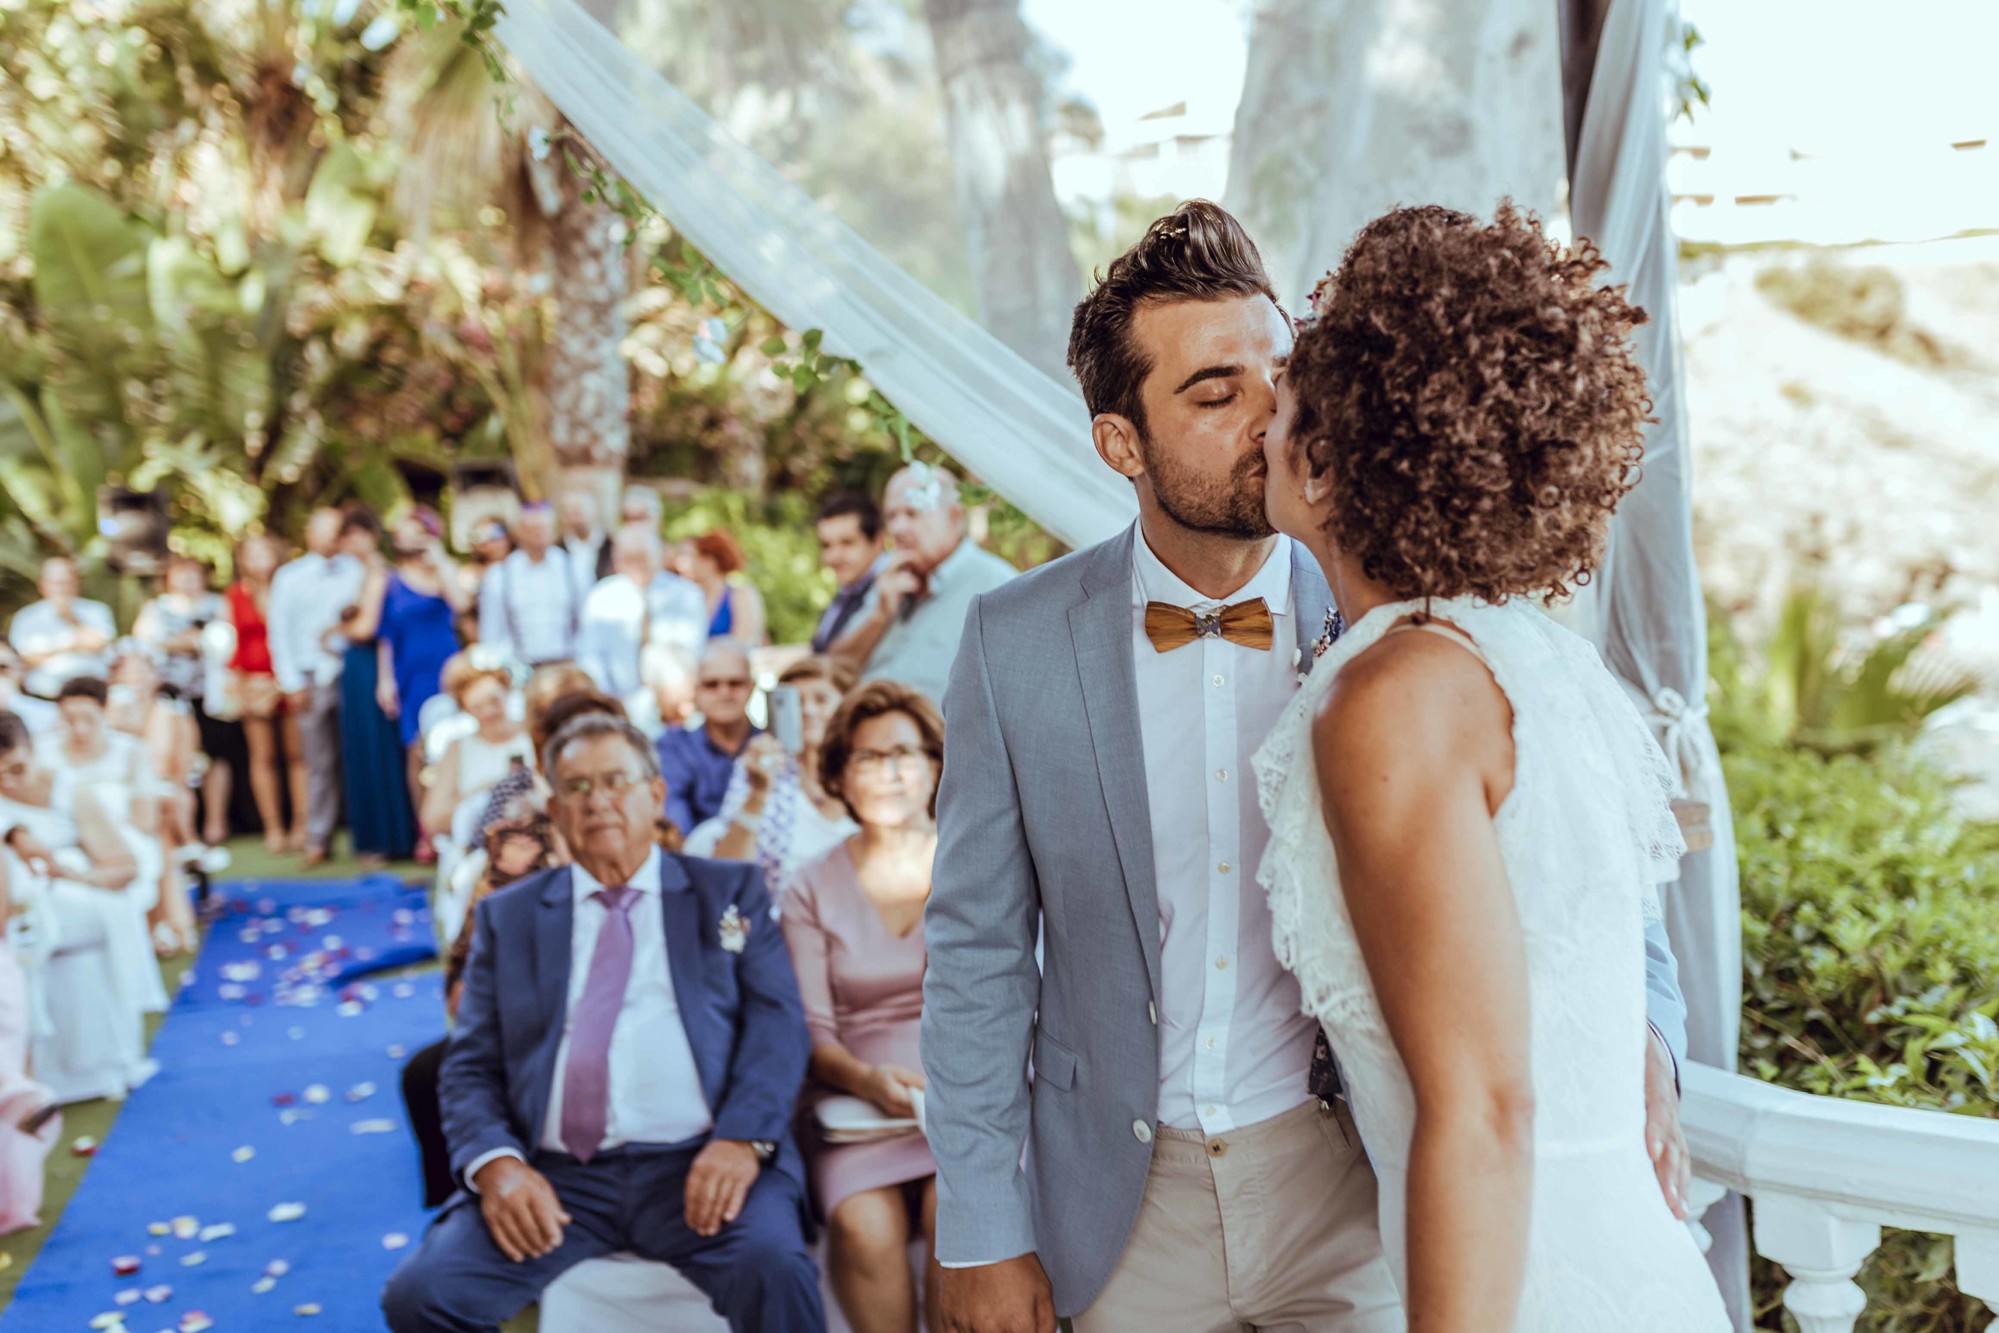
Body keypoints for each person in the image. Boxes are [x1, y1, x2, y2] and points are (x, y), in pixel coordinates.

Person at [920, 200, 1695, 1333]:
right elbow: (975, 947)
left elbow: (1592, 887)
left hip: (1360, 1189)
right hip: (1127, 1207)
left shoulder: (1411, 623)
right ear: (1119, 442)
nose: (1269, 412)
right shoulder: (1013, 640)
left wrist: (1654, 1045)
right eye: (1213, 390)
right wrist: (981, 1220)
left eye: (1278, 372)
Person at [1252, 203, 1727, 1330]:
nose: (1257, 434)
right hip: (1633, 1271)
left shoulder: (1394, 695)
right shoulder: (1537, 660)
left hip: (1532, 1290)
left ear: (1323, 467)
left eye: (1276, 411)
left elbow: (1484, 1108)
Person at [380, 713, 827, 1333]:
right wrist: (498, 1165)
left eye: (616, 780)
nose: (599, 801)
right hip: (559, 1178)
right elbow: (470, 1063)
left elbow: (776, 1028)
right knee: (422, 1296)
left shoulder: (727, 891)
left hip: (700, 1162)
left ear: (655, 794)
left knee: (774, 1271)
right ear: (556, 809)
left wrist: (742, 1139)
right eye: (578, 787)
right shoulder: (511, 917)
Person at [780, 680, 944, 1333]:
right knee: (863, 1222)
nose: (890, 772)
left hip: (968, 1101)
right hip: (854, 1108)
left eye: (905, 752)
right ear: (840, 776)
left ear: (935, 763)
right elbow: (813, 1033)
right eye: (868, 757)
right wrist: (868, 1082)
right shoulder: (810, 886)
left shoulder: (978, 862)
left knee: (958, 1209)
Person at [828, 465, 1015, 705]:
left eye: (913, 513)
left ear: (955, 517)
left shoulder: (997, 586)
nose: (898, 528)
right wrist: (879, 616)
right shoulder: (889, 580)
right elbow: (833, 673)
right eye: (891, 516)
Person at [351, 508, 467, 864]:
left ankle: (455, 823)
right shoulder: (390, 578)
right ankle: (426, 829)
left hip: (447, 669)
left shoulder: (443, 572)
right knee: (416, 753)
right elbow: (385, 636)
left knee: (452, 746)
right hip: (410, 673)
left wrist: (441, 561)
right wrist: (386, 681)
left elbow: (462, 604)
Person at [685, 657, 855, 897]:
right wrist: (758, 792)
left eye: (821, 699)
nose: (807, 710)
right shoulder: (761, 765)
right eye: (795, 702)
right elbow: (727, 868)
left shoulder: (866, 771)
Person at [269, 507, 366, 867]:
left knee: (358, 758)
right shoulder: (290, 577)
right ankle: (317, 838)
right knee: (318, 761)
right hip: (310, 676)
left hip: (352, 674)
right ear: (309, 533)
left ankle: (365, 838)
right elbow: (279, 632)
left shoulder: (357, 571)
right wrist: (291, 681)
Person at [133, 555, 234, 846]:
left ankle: (217, 823)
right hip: (171, 694)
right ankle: (182, 829)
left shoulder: (217, 604)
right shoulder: (157, 608)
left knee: (215, 755)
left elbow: (225, 641)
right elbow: (145, 645)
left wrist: (186, 641)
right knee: (174, 763)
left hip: (210, 694)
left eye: (194, 575)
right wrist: (191, 641)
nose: (188, 581)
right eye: (182, 575)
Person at [336, 509, 418, 866]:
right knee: (364, 749)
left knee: (375, 749)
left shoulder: (377, 573)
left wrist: (334, 631)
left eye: (358, 534)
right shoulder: (361, 573)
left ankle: (387, 837)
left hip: (367, 665)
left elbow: (367, 628)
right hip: (359, 665)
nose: (351, 542)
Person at [228, 533, 308, 854]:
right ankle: (273, 827)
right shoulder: (236, 594)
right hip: (255, 683)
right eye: (251, 553)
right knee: (263, 757)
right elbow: (232, 638)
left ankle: (302, 824)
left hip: (289, 679)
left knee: (297, 755)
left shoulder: (290, 586)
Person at [575, 528, 708, 703]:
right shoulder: (601, 597)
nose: (636, 564)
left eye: (642, 556)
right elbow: (589, 654)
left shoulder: (686, 594)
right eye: (628, 558)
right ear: (617, 560)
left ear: (657, 556)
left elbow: (693, 649)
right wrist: (605, 697)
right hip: (619, 698)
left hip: (677, 701)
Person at [419, 655, 535, 845]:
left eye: (494, 701)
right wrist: (488, 793)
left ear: (506, 693)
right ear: (466, 709)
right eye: (478, 707)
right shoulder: (457, 748)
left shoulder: (532, 735)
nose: (489, 712)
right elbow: (433, 820)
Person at [655, 640, 758, 837]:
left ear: (751, 687)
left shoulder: (773, 746)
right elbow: (675, 824)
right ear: (696, 690)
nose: (724, 693)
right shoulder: (675, 747)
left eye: (735, 683)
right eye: (712, 684)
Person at [477, 503, 582, 669]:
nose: (538, 535)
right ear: (519, 533)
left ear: (554, 531)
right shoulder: (500, 574)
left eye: (542, 528)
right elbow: (491, 634)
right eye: (532, 529)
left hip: (565, 664)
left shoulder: (573, 568)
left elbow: (585, 625)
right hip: (519, 668)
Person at [8, 558, 115, 700]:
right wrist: (70, 646)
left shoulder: (96, 610)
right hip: (44, 695)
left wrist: (71, 618)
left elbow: (99, 643)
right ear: (42, 585)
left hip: (93, 693)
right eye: (56, 583)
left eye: (66, 582)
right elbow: (24, 658)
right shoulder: (26, 617)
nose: (61, 589)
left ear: (77, 583)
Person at [811, 494, 889, 654]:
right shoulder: (849, 589)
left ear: (878, 540)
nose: (834, 557)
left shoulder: (892, 588)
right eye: (826, 546)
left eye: (847, 543)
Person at [686, 530, 768, 648]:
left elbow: (743, 640)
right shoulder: (693, 596)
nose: (689, 563)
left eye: (695, 557)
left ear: (710, 561)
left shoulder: (740, 593)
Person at [558, 485, 615, 600]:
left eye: (579, 510)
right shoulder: (557, 550)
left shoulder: (611, 547)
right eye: (570, 511)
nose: (575, 517)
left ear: (595, 510)